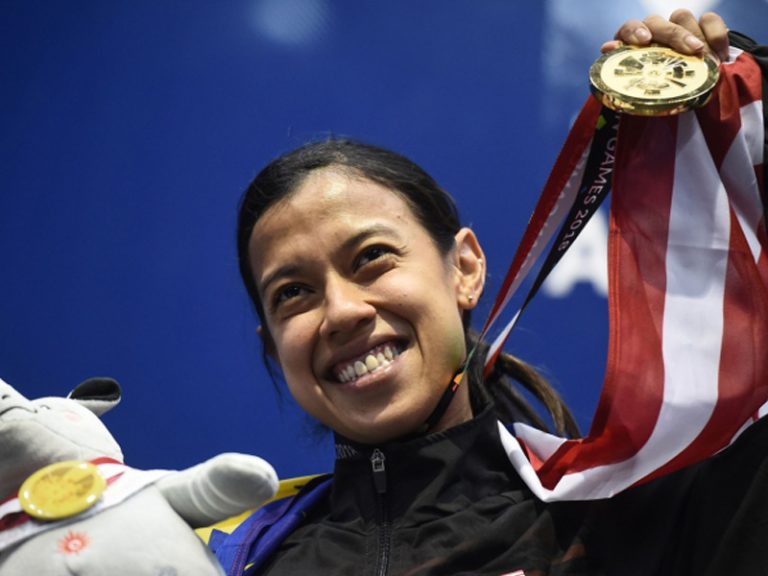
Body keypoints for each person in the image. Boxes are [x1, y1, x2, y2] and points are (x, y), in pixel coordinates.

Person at [212, 10, 768, 576]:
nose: (342, 311)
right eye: (293, 292)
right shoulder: (234, 561)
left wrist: (738, 87)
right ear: (273, 347)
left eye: (371, 258)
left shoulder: (626, 521)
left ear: (465, 269)